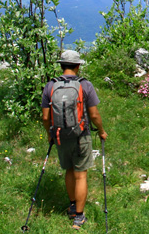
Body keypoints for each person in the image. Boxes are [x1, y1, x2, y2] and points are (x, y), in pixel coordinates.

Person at [41, 50, 108, 230]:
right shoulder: (85, 85)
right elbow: (93, 114)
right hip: (81, 135)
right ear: (78, 66)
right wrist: (101, 130)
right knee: (81, 174)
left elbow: (46, 118)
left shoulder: (50, 86)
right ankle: (79, 217)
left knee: (69, 171)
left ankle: (72, 206)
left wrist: (50, 134)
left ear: (61, 65)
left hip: (60, 136)